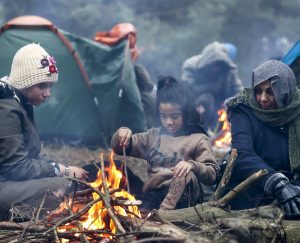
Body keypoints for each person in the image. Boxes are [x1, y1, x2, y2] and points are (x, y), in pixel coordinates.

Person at [0, 43, 88, 220]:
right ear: (25, 83)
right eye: (42, 86)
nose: (47, 93)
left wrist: (59, 168)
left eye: (50, 86)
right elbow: (17, 167)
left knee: (73, 184)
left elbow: (30, 156)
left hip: (8, 181)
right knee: (65, 186)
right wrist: (62, 169)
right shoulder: (6, 110)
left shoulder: (20, 102)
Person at [111, 76, 218, 211]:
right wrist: (121, 133)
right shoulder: (153, 136)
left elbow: (212, 174)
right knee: (116, 166)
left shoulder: (198, 139)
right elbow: (119, 148)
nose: (169, 122)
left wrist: (192, 165)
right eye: (163, 116)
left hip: (182, 199)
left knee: (185, 175)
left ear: (185, 113)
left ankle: (163, 215)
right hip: (152, 196)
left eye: (174, 116)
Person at [225, 60, 300, 218]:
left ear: (285, 90)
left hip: (291, 189)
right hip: (251, 193)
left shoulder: (296, 109)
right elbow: (242, 154)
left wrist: (294, 189)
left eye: (270, 92)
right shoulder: (242, 110)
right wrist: (276, 182)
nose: (262, 98)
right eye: (258, 91)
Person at [181, 41, 243, 131]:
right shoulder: (191, 66)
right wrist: (210, 88)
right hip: (197, 106)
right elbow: (186, 89)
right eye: (214, 64)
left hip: (222, 106)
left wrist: (237, 104)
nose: (216, 68)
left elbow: (237, 89)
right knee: (206, 99)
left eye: (219, 65)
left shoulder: (229, 70)